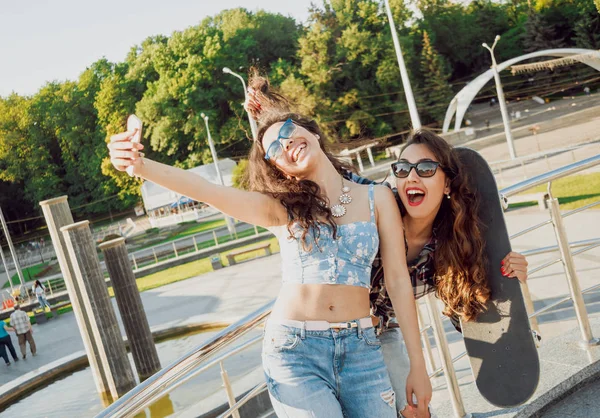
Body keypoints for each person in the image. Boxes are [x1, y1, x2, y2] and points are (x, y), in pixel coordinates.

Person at [107, 91, 432, 416]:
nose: (286, 143)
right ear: (280, 169)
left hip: (362, 349)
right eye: (274, 148)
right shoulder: (282, 210)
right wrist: (140, 166)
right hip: (296, 352)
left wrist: (418, 364)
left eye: (289, 131)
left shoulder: (377, 197)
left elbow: (397, 281)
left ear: (312, 132)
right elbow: (206, 190)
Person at [245, 84, 528, 418]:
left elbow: (466, 310)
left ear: (447, 183)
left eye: (425, 170)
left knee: (415, 411)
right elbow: (322, 173)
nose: (411, 178)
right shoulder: (374, 200)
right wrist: (269, 119)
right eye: (402, 170)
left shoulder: (446, 248)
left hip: (381, 333)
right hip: (327, 335)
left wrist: (511, 281)